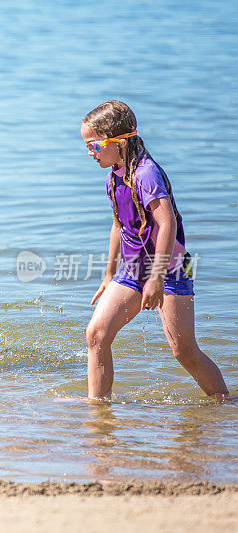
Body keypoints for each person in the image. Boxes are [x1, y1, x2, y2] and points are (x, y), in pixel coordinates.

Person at [80, 100, 228, 400]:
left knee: (183, 351)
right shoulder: (114, 176)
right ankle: (98, 415)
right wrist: (109, 274)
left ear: (118, 142)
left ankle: (226, 407)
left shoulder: (146, 174)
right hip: (134, 269)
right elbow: (119, 225)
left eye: (94, 146)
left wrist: (157, 278)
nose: (89, 153)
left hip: (170, 268)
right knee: (97, 335)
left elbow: (167, 223)